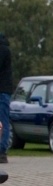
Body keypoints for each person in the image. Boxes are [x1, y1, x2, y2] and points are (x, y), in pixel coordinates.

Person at [0, 31, 12, 164]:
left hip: (2, 90)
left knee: (2, 121)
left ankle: (2, 150)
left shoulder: (2, 49)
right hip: (4, 90)